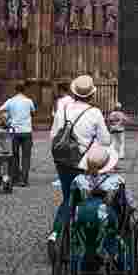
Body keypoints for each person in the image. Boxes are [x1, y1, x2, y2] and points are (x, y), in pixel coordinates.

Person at [49, 75, 111, 242]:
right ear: (91, 95)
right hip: (82, 161)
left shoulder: (62, 109)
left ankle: (60, 234)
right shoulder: (95, 113)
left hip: (61, 159)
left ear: (74, 93)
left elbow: (53, 135)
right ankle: (65, 233)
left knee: (68, 195)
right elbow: (105, 141)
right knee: (79, 197)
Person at [68, 142, 135, 267]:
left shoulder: (78, 180)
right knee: (121, 228)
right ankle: (121, 261)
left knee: (79, 230)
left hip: (82, 215)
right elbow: (129, 204)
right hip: (106, 216)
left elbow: (72, 202)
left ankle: (78, 259)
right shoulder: (117, 181)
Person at [0, 82, 36, 186]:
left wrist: (6, 122)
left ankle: (15, 178)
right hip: (26, 131)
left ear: (15, 90)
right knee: (26, 156)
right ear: (24, 90)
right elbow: (33, 112)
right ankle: (24, 179)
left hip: (14, 131)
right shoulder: (28, 101)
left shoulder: (10, 101)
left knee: (14, 156)